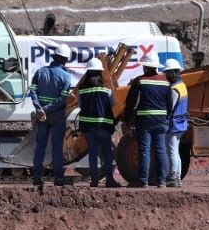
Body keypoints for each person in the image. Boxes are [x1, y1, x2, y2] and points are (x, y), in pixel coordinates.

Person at [28, 43, 74, 191]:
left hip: (42, 117)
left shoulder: (40, 72)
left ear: (55, 57)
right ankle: (58, 178)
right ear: (65, 60)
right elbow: (62, 99)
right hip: (57, 116)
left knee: (40, 146)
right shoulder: (66, 76)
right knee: (56, 148)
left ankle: (36, 177)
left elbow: (32, 91)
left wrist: (39, 108)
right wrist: (46, 109)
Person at [123, 53, 173, 188]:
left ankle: (143, 181)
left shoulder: (139, 81)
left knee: (144, 150)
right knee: (160, 150)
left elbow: (130, 103)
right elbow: (170, 104)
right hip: (161, 121)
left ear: (145, 66)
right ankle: (162, 181)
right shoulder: (166, 82)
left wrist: (127, 119)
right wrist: (166, 118)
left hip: (144, 121)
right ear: (156, 67)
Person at [76, 59, 119, 188]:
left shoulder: (81, 91)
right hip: (103, 127)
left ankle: (94, 181)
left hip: (88, 128)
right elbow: (112, 104)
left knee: (93, 153)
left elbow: (80, 106)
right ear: (100, 73)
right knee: (107, 153)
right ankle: (109, 180)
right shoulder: (106, 91)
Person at [163, 58, 188, 188]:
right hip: (181, 123)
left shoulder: (174, 89)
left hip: (174, 123)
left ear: (173, 73)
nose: (166, 76)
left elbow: (170, 107)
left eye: (167, 73)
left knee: (171, 151)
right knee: (176, 151)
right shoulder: (182, 86)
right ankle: (177, 177)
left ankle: (172, 176)